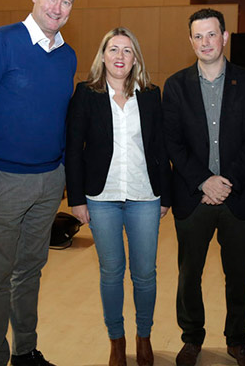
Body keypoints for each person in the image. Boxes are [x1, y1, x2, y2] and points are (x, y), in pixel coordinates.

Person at [0, 0, 77, 366]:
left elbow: (61, 117)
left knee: (30, 272)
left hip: (48, 182)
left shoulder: (67, 55)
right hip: (5, 183)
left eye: (66, 2)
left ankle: (25, 352)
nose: (57, 8)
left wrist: (60, 169)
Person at [163, 8, 245, 366]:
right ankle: (192, 338)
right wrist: (204, 181)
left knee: (238, 275)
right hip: (194, 198)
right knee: (189, 273)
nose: (205, 42)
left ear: (224, 36)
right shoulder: (176, 85)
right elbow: (172, 142)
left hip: (238, 198)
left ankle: (238, 340)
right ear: (191, 41)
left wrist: (227, 183)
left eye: (212, 34)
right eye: (198, 36)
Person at [66, 27, 171, 366]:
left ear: (135, 57)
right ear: (103, 55)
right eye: (114, 49)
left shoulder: (152, 94)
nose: (120, 56)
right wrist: (77, 199)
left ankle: (144, 337)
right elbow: (73, 149)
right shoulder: (86, 94)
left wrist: (165, 195)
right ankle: (116, 340)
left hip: (144, 195)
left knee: (145, 274)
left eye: (127, 50)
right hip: (101, 197)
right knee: (111, 273)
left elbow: (161, 147)